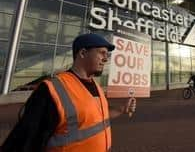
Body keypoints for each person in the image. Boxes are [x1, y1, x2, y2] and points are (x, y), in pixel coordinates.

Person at [2, 33, 136, 152]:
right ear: (82, 53)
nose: (106, 59)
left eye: (107, 54)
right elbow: (23, 143)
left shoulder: (96, 86)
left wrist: (122, 109)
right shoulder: (51, 90)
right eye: (102, 53)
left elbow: (97, 118)